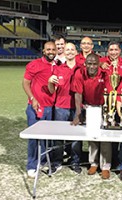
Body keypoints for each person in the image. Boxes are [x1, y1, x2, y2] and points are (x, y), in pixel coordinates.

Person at [71, 53, 113, 179]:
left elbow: (110, 94)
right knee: (92, 137)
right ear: (85, 64)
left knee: (105, 137)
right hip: (89, 108)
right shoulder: (80, 73)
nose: (92, 66)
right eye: (89, 63)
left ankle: (105, 166)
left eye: (95, 63)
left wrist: (109, 112)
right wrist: (79, 113)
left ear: (99, 64)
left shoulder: (105, 74)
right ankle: (93, 163)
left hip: (103, 107)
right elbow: (78, 94)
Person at [22, 41, 57, 178]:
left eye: (53, 49)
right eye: (48, 49)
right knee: (34, 138)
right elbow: (25, 83)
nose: (51, 52)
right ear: (43, 51)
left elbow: (52, 88)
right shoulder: (35, 64)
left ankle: (43, 161)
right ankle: (31, 165)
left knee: (46, 138)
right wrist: (32, 98)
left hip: (50, 108)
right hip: (36, 107)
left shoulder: (56, 66)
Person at [48, 42, 83, 174]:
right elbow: (52, 91)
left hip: (76, 108)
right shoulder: (58, 68)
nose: (69, 52)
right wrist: (49, 82)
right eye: (67, 50)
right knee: (58, 136)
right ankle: (57, 162)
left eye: (71, 49)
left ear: (75, 52)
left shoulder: (81, 68)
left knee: (76, 137)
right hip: (60, 107)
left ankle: (75, 161)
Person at [100, 41, 122, 169]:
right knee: (106, 130)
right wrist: (100, 67)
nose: (113, 52)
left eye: (116, 49)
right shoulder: (101, 62)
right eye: (111, 49)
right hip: (106, 103)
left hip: (120, 103)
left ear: (120, 51)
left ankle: (119, 158)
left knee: (120, 131)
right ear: (107, 51)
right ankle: (107, 159)